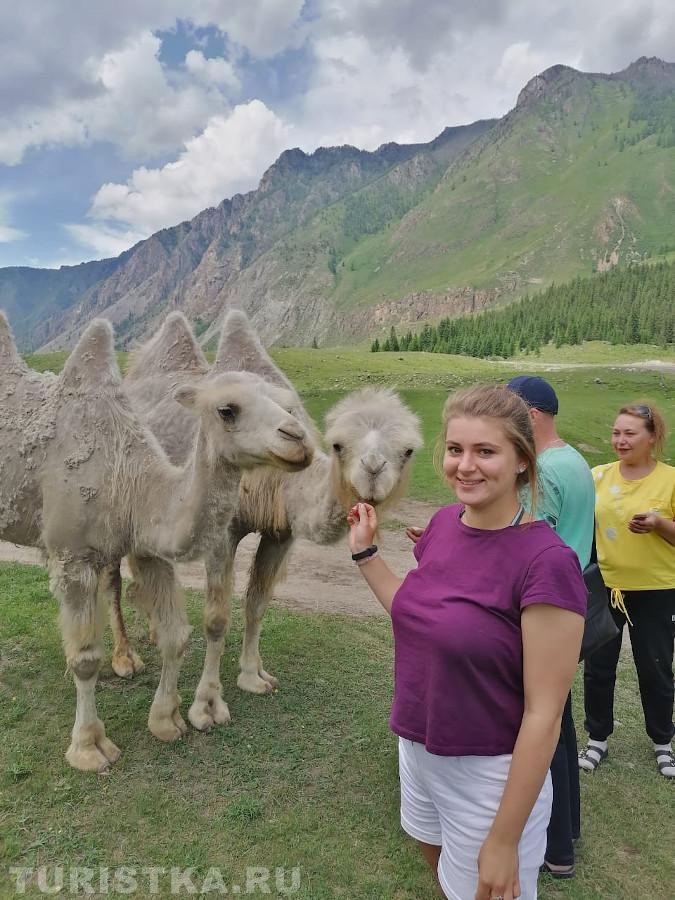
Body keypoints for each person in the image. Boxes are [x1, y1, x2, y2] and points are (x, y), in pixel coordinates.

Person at [348, 385, 586, 900]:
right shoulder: (442, 524)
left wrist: (503, 839)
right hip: (417, 747)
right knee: (442, 873)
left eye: (486, 451)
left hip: (490, 774)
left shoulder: (547, 564)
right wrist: (366, 555)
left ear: (523, 461)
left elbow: (545, 716)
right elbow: (417, 615)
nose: (465, 466)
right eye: (456, 449)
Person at [505, 375, 595, 880]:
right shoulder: (575, 461)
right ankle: (567, 831)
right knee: (559, 720)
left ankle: (554, 844)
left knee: (542, 725)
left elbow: (527, 545)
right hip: (571, 606)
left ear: (531, 416)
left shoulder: (544, 473)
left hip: (542, 612)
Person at [579, 402, 675, 779]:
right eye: (617, 432)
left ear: (652, 438)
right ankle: (597, 738)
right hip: (604, 587)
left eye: (630, 433)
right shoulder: (597, 476)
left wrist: (659, 524)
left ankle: (663, 743)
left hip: (656, 589)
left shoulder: (670, 479)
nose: (620, 440)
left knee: (655, 668)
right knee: (598, 667)